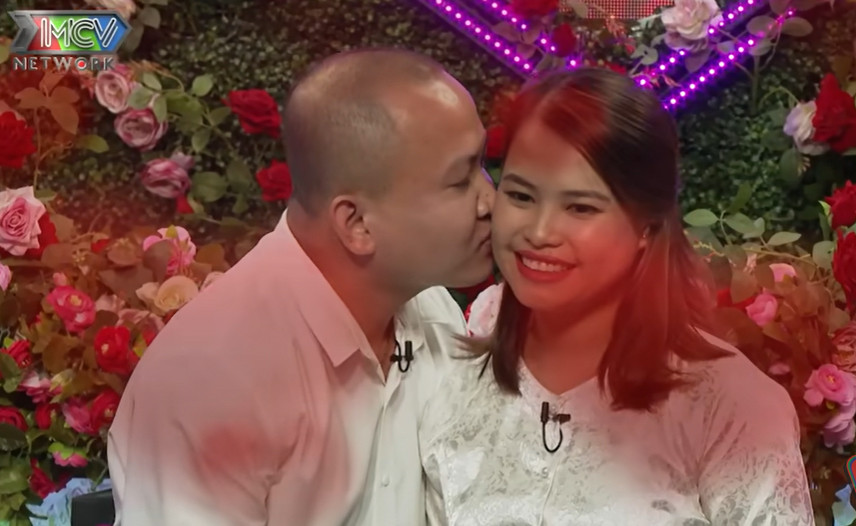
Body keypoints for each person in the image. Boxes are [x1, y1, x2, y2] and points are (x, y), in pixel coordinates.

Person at [107, 48, 495, 526]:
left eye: (483, 165)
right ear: (357, 224)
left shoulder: (431, 307)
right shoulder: (210, 381)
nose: (491, 201)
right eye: (461, 181)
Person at [419, 68, 814, 525]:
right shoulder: (455, 354)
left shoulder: (733, 408)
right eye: (522, 196)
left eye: (580, 207)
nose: (539, 232)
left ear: (647, 227)